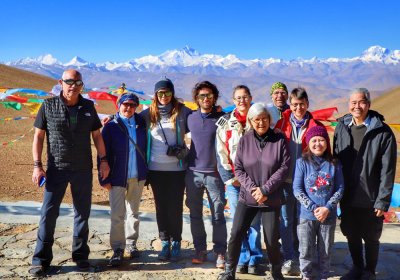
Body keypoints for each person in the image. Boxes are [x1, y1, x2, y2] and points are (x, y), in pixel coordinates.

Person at [29, 69, 110, 276]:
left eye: (77, 82)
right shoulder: (48, 106)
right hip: (56, 169)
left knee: (82, 213)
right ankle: (41, 259)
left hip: (83, 169)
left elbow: (97, 137)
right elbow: (38, 137)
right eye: (69, 81)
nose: (73, 85)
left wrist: (103, 161)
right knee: (48, 213)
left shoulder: (88, 106)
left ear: (82, 85)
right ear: (61, 83)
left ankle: (81, 256)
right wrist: (37, 165)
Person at [218, 103, 290, 280]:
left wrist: (265, 189)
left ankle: (275, 271)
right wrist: (253, 189)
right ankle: (229, 271)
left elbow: (284, 167)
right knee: (236, 234)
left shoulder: (279, 140)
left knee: (271, 239)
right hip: (247, 197)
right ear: (250, 120)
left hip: (270, 198)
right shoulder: (245, 140)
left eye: (264, 118)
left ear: (270, 119)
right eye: (257, 119)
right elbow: (239, 168)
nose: (261, 122)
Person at [334, 88, 397, 280]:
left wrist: (382, 200)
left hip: (371, 195)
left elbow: (388, 170)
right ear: (349, 105)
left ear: (368, 104)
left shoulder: (382, 132)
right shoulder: (342, 127)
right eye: (353, 102)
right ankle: (357, 267)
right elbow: (335, 160)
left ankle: (370, 271)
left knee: (371, 237)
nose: (357, 106)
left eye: (361, 102)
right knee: (351, 233)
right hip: (348, 193)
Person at [141, 77, 192, 261]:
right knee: (161, 207)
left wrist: (218, 112)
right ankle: (164, 241)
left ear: (173, 93)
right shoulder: (148, 114)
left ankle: (176, 241)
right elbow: (129, 120)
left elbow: (200, 117)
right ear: (155, 95)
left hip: (177, 170)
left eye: (167, 92)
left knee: (175, 206)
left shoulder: (182, 112)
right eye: (161, 93)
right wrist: (111, 119)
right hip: (155, 169)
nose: (164, 96)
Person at [274, 87, 325, 276]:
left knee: (305, 220)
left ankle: (306, 255)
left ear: (307, 104)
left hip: (307, 183)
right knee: (286, 220)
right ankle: (289, 256)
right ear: (290, 104)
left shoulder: (315, 126)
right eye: (294, 104)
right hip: (286, 181)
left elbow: (322, 153)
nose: (298, 108)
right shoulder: (282, 123)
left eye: (302, 104)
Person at [216, 85, 264, 275]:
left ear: (251, 98)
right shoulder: (225, 123)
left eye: (245, 97)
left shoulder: (259, 120)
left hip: (256, 182)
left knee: (254, 221)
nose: (242, 101)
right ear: (233, 100)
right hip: (235, 182)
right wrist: (230, 178)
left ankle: (255, 258)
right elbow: (221, 152)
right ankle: (242, 257)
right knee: (238, 221)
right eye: (238, 98)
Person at [99, 92, 148, 266]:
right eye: (125, 104)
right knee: (117, 215)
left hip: (137, 176)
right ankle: (118, 249)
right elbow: (102, 154)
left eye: (132, 105)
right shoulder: (111, 126)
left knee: (133, 213)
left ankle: (131, 243)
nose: (128, 108)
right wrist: (103, 178)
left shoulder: (142, 124)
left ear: (137, 107)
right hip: (117, 177)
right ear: (118, 105)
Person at [293, 126, 344, 280]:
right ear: (308, 143)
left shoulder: (335, 163)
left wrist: (327, 208)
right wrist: (314, 208)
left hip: (328, 216)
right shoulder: (302, 162)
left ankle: (324, 276)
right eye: (314, 140)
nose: (318, 143)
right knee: (306, 249)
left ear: (327, 142)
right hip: (306, 216)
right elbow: (297, 189)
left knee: (326, 250)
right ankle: (306, 275)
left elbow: (340, 188)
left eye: (321, 140)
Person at [185, 81, 227, 268]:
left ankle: (220, 252)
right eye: (202, 96)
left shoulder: (222, 118)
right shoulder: (190, 117)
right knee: (195, 214)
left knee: (218, 214)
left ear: (214, 97)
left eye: (209, 95)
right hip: (193, 173)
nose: (206, 99)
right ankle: (199, 250)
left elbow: (239, 124)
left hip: (215, 174)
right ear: (196, 99)